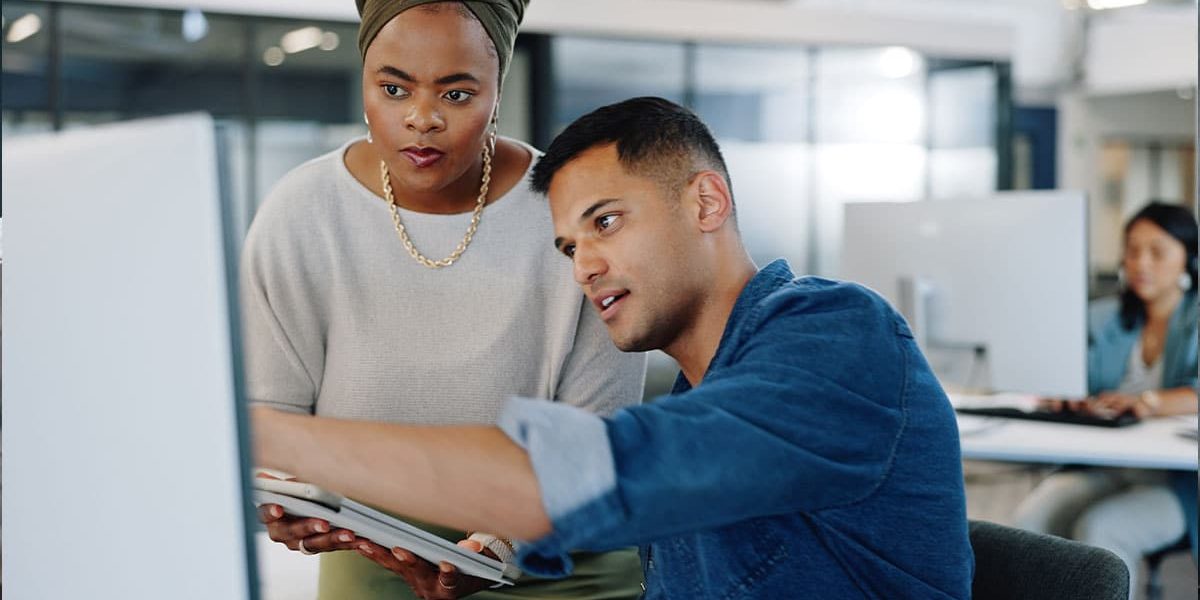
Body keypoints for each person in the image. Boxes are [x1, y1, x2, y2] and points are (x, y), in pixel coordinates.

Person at [252, 96, 975, 599]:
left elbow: (564, 479)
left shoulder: (837, 335)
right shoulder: (705, 389)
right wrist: (487, 563)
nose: (584, 265)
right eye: (569, 245)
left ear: (706, 203)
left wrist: (259, 433)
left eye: (606, 222)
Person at [239, 1, 647, 598]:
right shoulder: (301, 214)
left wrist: (500, 545)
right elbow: (268, 422)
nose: (422, 118)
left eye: (456, 94)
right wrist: (285, 497)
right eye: (394, 89)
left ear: (496, 92)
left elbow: (596, 433)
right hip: (371, 553)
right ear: (364, 85)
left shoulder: (570, 210)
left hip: (565, 559)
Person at [1013, 202, 1199, 597]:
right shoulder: (1104, 318)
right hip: (1105, 467)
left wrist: (1148, 402)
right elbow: (1077, 380)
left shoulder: (1195, 319)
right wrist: (1069, 396)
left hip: (1175, 482)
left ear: (1189, 258)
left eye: (1157, 251)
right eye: (1132, 250)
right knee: (1028, 520)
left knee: (1101, 529)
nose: (1141, 263)